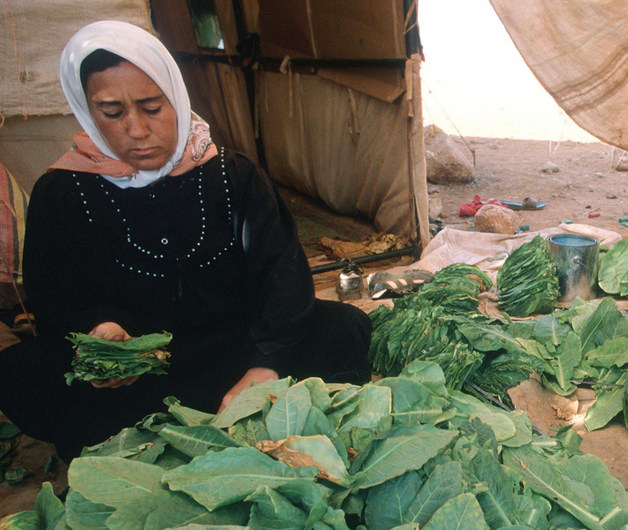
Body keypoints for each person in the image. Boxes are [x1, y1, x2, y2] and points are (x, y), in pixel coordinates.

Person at [0, 21, 371, 459]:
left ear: (176, 98)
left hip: (233, 352)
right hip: (136, 376)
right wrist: (100, 333)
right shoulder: (63, 191)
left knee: (342, 326)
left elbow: (284, 280)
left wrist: (266, 365)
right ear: (86, 110)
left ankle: (235, 403)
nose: (136, 129)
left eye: (151, 107)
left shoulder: (234, 177)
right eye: (112, 112)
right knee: (21, 373)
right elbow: (55, 298)